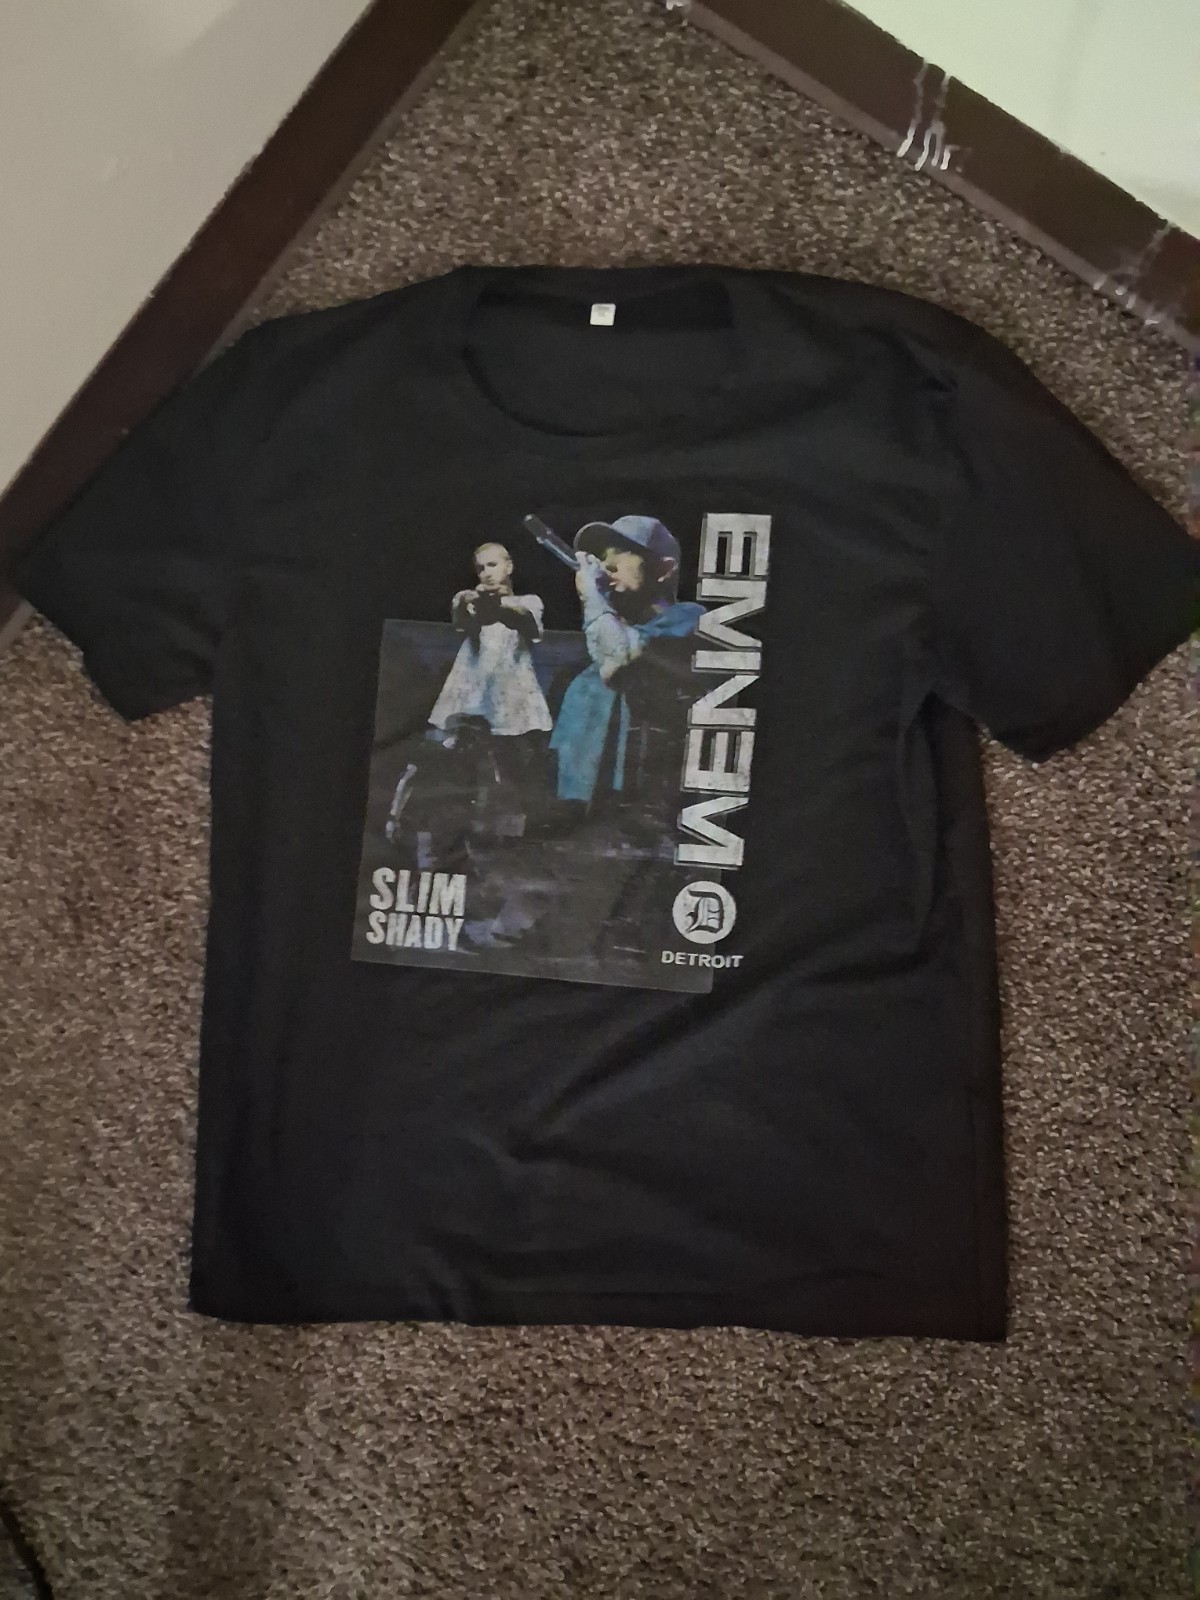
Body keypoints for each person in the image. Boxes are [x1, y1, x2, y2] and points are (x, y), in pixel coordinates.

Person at [549, 516, 703, 818]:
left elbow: (620, 662)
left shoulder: (688, 618)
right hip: (583, 820)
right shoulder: (581, 663)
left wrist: (593, 598)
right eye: (603, 555)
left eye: (622, 552)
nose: (607, 563)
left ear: (663, 569)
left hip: (646, 815)